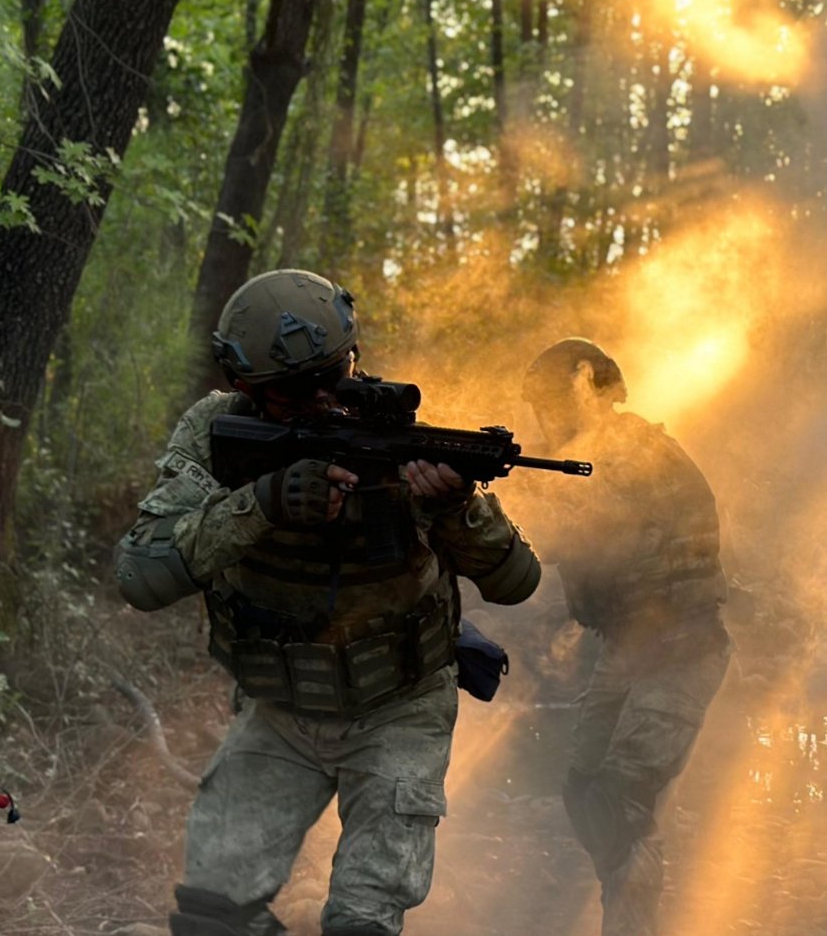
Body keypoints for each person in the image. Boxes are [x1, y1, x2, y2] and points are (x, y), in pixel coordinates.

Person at [114, 269, 541, 936]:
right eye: (295, 390)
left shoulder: (392, 432)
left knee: (360, 923)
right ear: (244, 386)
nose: (323, 400)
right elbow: (141, 575)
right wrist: (264, 503)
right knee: (211, 917)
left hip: (398, 706)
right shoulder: (215, 432)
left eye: (335, 372)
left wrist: (454, 506)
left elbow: (518, 580)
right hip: (281, 707)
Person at [519, 338, 731, 936]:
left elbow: (572, 533)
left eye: (552, 402)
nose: (546, 418)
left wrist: (503, 494)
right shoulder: (591, 455)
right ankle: (627, 904)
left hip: (682, 650)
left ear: (587, 388)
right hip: (627, 647)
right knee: (586, 789)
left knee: (620, 796)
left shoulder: (633, 452)